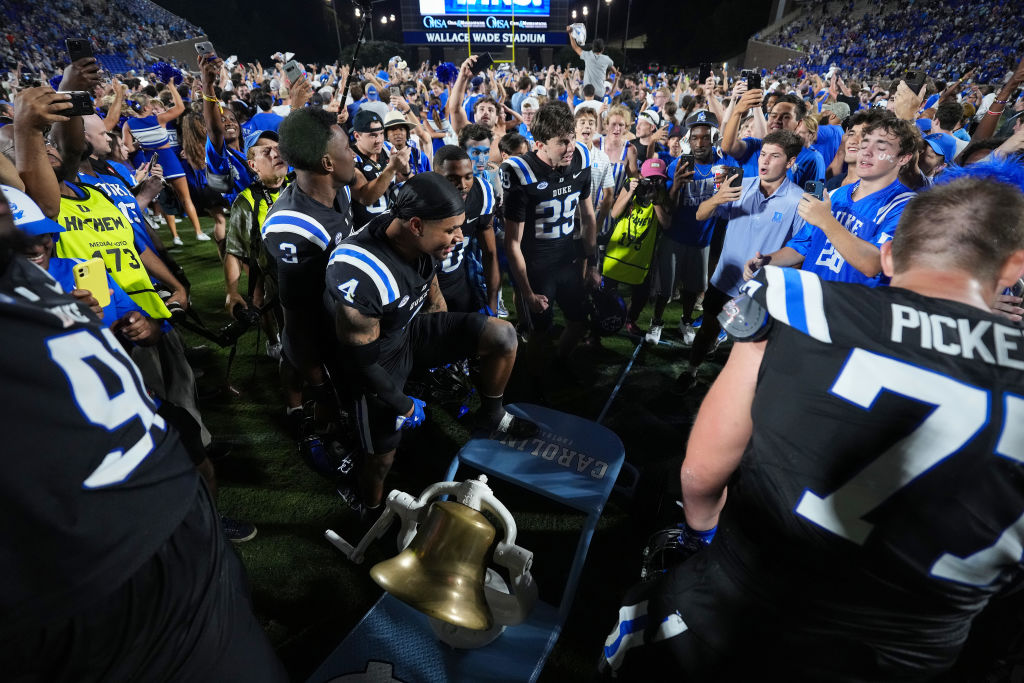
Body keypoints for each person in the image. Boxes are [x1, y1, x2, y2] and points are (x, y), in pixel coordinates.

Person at [601, 156, 1024, 682]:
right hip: (902, 658)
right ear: (1014, 266)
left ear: (888, 253)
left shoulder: (794, 301)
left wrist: (704, 529)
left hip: (740, 615)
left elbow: (701, 472)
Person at [0, 185, 287, 683]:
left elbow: (133, 321)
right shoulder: (34, 286)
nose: (30, 244)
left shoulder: (60, 276)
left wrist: (145, 324)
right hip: (106, 560)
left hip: (161, 514)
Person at [328, 173, 536, 514]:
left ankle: (492, 414)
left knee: (502, 336)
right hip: (378, 358)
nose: (459, 237)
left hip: (412, 329)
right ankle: (371, 507)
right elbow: (361, 362)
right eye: (451, 229)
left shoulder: (417, 236)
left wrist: (443, 334)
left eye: (460, 227)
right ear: (415, 225)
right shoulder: (362, 272)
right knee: (382, 458)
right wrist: (403, 404)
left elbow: (428, 281)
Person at [673, 130, 808, 394]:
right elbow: (701, 215)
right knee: (708, 330)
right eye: (763, 154)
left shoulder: (799, 200)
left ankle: (735, 392)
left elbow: (801, 250)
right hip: (724, 279)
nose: (765, 161)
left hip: (761, 290)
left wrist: (772, 266)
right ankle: (691, 372)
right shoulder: (741, 185)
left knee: (747, 347)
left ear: (790, 162)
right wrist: (717, 198)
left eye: (775, 156)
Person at [260, 107, 355, 437]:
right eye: (346, 148)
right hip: (316, 333)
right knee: (333, 421)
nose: (353, 154)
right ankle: (303, 415)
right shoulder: (293, 226)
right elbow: (297, 322)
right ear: (327, 164)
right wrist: (320, 387)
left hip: (338, 320)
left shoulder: (337, 189)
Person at [745, 114, 918, 287]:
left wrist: (826, 221)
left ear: (903, 158)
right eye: (865, 144)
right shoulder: (836, 194)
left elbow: (873, 264)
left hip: (850, 309)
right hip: (813, 300)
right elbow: (802, 246)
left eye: (880, 147)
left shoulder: (907, 206)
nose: (866, 151)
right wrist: (767, 260)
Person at [500, 100, 599, 368]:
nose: (570, 149)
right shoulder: (520, 172)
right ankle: (534, 382)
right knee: (539, 334)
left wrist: (593, 263)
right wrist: (527, 292)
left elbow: (588, 216)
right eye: (562, 143)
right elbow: (512, 243)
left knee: (579, 323)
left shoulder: (581, 157)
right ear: (540, 143)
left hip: (568, 261)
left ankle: (558, 366)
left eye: (572, 139)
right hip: (537, 267)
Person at [646, 110, 725, 346]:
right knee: (665, 289)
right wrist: (676, 185)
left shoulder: (723, 166)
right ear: (688, 140)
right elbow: (667, 206)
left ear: (713, 138)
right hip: (675, 236)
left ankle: (686, 321)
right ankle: (656, 321)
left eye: (704, 137)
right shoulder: (678, 165)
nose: (699, 143)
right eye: (694, 137)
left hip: (703, 239)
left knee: (693, 289)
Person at [123, 86, 207, 241]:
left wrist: (140, 143)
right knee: (185, 198)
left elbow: (127, 147)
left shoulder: (128, 124)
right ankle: (199, 232)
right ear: (147, 107)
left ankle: (175, 236)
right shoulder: (158, 119)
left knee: (164, 200)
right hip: (169, 158)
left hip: (151, 160)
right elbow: (180, 107)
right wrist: (171, 85)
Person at [601, 159, 672, 337]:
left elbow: (666, 224)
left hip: (642, 256)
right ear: (641, 176)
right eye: (649, 179)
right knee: (606, 292)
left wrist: (656, 200)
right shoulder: (629, 186)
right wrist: (631, 191)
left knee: (641, 294)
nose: (653, 183)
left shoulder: (663, 194)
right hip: (617, 251)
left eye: (658, 179)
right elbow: (615, 213)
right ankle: (600, 325)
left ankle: (630, 320)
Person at [433, 144, 499, 314]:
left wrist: (493, 302)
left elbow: (490, 253)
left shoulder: (482, 192)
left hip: (458, 282)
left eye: (468, 177)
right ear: (435, 176)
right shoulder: (419, 198)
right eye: (452, 179)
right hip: (423, 286)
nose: (462, 185)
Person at [723, 89, 826, 187]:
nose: (777, 120)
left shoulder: (811, 158)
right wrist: (737, 111)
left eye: (786, 117)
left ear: (799, 124)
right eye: (773, 115)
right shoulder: (754, 146)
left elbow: (812, 200)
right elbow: (728, 146)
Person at [349, 109, 410, 230]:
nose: (379, 140)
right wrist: (391, 168)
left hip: (393, 224)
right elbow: (365, 197)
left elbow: (405, 180)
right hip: (366, 231)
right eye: (373, 135)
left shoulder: (387, 148)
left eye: (381, 133)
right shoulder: (350, 157)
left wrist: (405, 169)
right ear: (357, 136)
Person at [568, 29, 614, 97]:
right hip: (599, 94)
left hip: (587, 94)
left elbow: (575, 47)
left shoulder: (587, 55)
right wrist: (615, 72)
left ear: (593, 48)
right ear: (603, 49)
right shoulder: (607, 59)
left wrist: (570, 34)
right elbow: (613, 68)